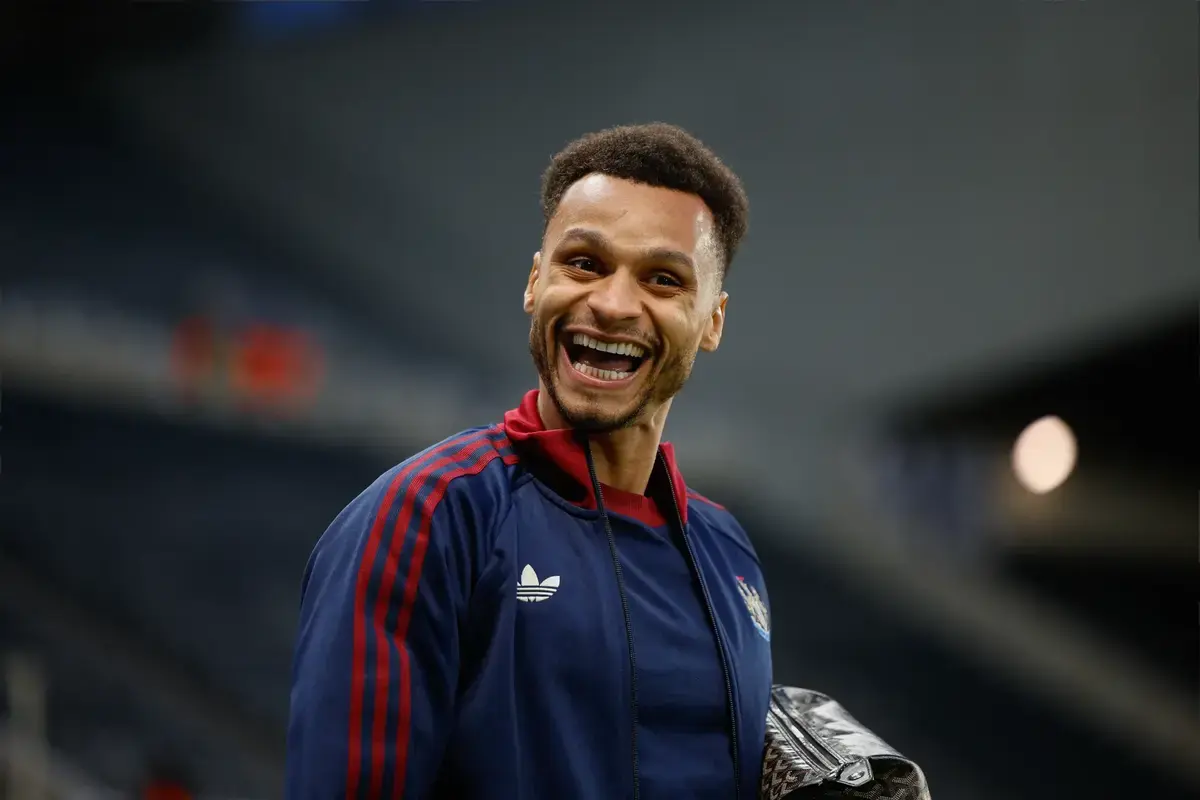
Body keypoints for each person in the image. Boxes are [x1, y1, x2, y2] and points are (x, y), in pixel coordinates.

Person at [286, 123, 772, 799]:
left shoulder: (729, 553)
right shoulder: (430, 516)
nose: (612, 304)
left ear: (712, 321)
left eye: (663, 279)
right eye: (584, 263)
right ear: (535, 281)